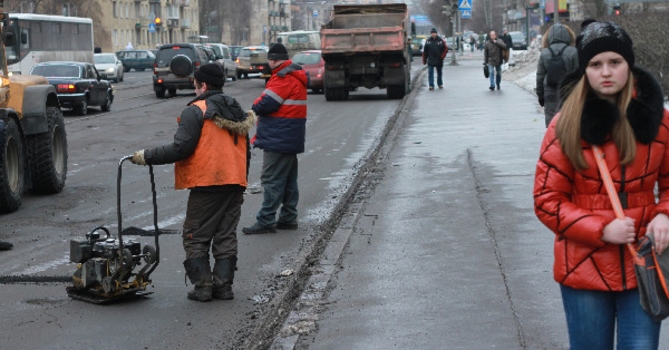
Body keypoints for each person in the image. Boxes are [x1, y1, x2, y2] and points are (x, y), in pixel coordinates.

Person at [534, 21, 669, 349]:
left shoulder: (658, 121)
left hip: (643, 263)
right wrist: (601, 228)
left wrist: (664, 214)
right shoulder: (564, 126)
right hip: (583, 267)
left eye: (615, 62)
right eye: (595, 64)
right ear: (585, 71)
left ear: (629, 65)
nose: (605, 72)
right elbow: (546, 200)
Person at [130, 63, 254, 302]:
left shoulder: (196, 110)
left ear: (203, 85)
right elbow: (245, 150)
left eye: (196, 84)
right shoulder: (236, 109)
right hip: (235, 180)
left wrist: (147, 156)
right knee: (225, 234)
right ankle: (224, 287)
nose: (195, 89)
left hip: (209, 182)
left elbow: (181, 148)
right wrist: (242, 181)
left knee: (195, 234)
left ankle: (203, 287)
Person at [242, 43, 307, 235]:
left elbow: (264, 104)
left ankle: (266, 220)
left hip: (279, 136)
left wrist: (254, 104)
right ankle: (288, 217)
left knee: (271, 179)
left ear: (272, 59)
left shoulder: (282, 78)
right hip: (289, 135)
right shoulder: (293, 75)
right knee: (288, 180)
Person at [535, 23, 578, 127]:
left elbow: (540, 76)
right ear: (568, 35)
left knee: (551, 118)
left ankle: (553, 140)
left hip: (549, 90)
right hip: (568, 91)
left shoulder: (545, 53)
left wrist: (540, 95)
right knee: (568, 118)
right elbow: (578, 74)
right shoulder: (573, 52)